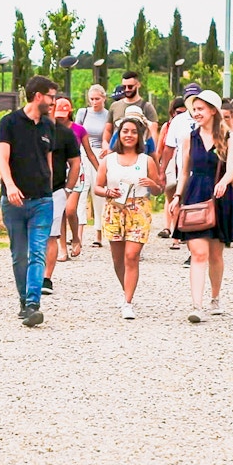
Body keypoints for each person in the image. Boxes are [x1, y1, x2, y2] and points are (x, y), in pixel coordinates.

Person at [170, 90, 233, 323]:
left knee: (215, 254)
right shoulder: (189, 138)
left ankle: (215, 297)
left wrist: (224, 182)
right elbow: (184, 172)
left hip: (219, 195)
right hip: (195, 194)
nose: (196, 113)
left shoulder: (229, 137)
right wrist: (177, 195)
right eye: (194, 109)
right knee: (198, 252)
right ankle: (197, 305)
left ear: (213, 110)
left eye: (200, 109)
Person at [0, 76, 56, 327]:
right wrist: (9, 185)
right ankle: (24, 301)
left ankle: (33, 303)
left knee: (37, 253)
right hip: (15, 201)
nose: (54, 101)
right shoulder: (9, 123)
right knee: (19, 254)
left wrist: (50, 187)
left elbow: (49, 162)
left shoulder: (48, 127)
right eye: (51, 96)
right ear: (38, 96)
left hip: (42, 199)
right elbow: (2, 158)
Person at [94, 116, 162, 319]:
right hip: (114, 209)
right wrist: (107, 191)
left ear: (139, 136)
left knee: (131, 256)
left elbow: (158, 189)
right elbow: (97, 186)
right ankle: (126, 290)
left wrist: (152, 183)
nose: (129, 135)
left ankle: (128, 302)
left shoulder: (147, 160)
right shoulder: (108, 160)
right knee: (118, 258)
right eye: (125, 131)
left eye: (133, 132)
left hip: (138, 208)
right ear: (119, 135)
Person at [160, 83, 201, 265]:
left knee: (200, 212)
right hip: (184, 172)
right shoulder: (178, 121)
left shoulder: (208, 119)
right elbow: (169, 148)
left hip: (203, 172)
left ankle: (201, 249)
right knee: (186, 210)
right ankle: (193, 249)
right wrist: (162, 170)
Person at [54, 97, 99, 259]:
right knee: (59, 211)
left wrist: (101, 173)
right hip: (57, 172)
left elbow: (89, 153)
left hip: (76, 171)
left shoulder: (79, 130)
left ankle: (76, 237)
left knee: (71, 209)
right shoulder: (50, 129)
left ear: (70, 112)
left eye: (63, 114)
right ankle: (62, 248)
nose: (60, 117)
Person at [41, 112, 81, 296]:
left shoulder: (64, 133)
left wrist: (68, 189)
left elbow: (75, 162)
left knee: (51, 235)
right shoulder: (25, 129)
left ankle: (46, 278)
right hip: (29, 189)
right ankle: (30, 274)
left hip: (56, 189)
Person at [75, 84, 109, 247]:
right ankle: (78, 235)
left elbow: (109, 135)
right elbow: (76, 133)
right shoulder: (83, 113)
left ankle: (98, 234)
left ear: (104, 98)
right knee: (81, 191)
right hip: (83, 153)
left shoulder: (108, 116)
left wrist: (106, 146)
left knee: (99, 194)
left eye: (97, 98)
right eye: (92, 99)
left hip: (100, 155)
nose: (94, 102)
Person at [102, 71, 158, 153]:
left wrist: (152, 152)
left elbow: (153, 132)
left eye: (130, 86)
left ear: (138, 85)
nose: (127, 89)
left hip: (139, 152)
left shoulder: (147, 107)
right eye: (124, 87)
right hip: (116, 152)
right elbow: (108, 130)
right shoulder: (114, 106)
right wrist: (106, 145)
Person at [156, 97, 187, 247]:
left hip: (182, 165)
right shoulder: (167, 126)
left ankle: (178, 232)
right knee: (172, 199)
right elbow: (161, 149)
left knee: (181, 199)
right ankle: (172, 228)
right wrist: (159, 169)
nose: (180, 115)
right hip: (169, 166)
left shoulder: (189, 125)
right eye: (178, 112)